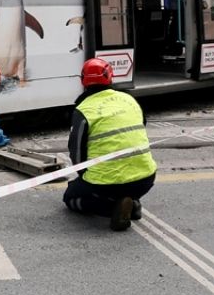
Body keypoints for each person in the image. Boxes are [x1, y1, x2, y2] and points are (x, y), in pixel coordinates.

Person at [62, 57, 157, 232]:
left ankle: (114, 209)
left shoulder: (83, 110)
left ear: (83, 80)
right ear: (110, 76)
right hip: (145, 178)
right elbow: (140, 129)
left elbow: (76, 152)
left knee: (70, 198)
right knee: (125, 186)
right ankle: (132, 201)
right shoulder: (130, 100)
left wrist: (84, 177)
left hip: (105, 183)